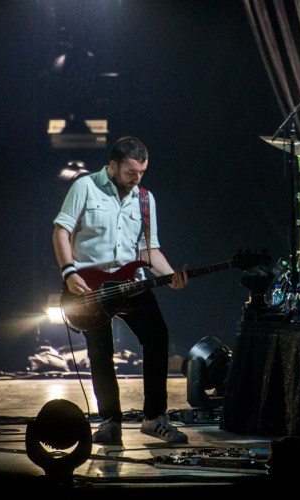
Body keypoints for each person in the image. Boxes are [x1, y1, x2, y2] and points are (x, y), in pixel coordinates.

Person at [52, 136, 189, 444]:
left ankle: (154, 417)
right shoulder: (85, 187)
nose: (137, 179)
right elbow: (61, 231)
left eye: (142, 172)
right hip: (90, 285)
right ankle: (110, 421)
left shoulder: (145, 199)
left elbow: (148, 250)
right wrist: (69, 272)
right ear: (112, 166)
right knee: (100, 351)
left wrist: (170, 276)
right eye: (130, 172)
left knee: (157, 337)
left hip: (131, 282)